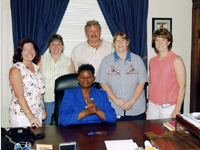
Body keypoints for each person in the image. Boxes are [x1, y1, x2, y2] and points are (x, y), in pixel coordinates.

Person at [95, 31, 148, 121]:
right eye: (117, 40)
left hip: (136, 107)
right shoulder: (106, 61)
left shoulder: (137, 60)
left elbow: (141, 82)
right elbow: (103, 83)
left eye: (123, 40)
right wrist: (116, 101)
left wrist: (131, 102)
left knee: (137, 135)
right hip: (114, 109)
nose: (120, 43)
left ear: (127, 43)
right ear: (114, 44)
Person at [146, 28, 186, 119]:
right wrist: (148, 105)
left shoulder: (176, 60)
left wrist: (177, 109)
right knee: (150, 132)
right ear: (154, 43)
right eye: (157, 40)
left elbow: (182, 86)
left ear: (168, 42)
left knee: (168, 133)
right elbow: (152, 84)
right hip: (153, 106)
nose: (160, 43)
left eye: (163, 40)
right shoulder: (152, 61)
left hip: (169, 107)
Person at [38, 34, 75, 125]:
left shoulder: (68, 61)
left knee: (63, 128)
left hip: (64, 100)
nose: (55, 47)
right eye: (53, 44)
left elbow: (73, 84)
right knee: (46, 129)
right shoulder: (41, 59)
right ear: (49, 47)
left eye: (58, 44)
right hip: (46, 100)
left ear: (62, 46)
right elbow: (36, 81)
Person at [9, 39, 46, 128]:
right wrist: (31, 116)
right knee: (23, 142)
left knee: (37, 141)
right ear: (20, 52)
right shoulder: (16, 69)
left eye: (32, 49)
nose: (29, 52)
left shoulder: (36, 68)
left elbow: (40, 91)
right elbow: (19, 95)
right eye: (25, 49)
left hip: (37, 113)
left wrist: (43, 109)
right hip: (22, 115)